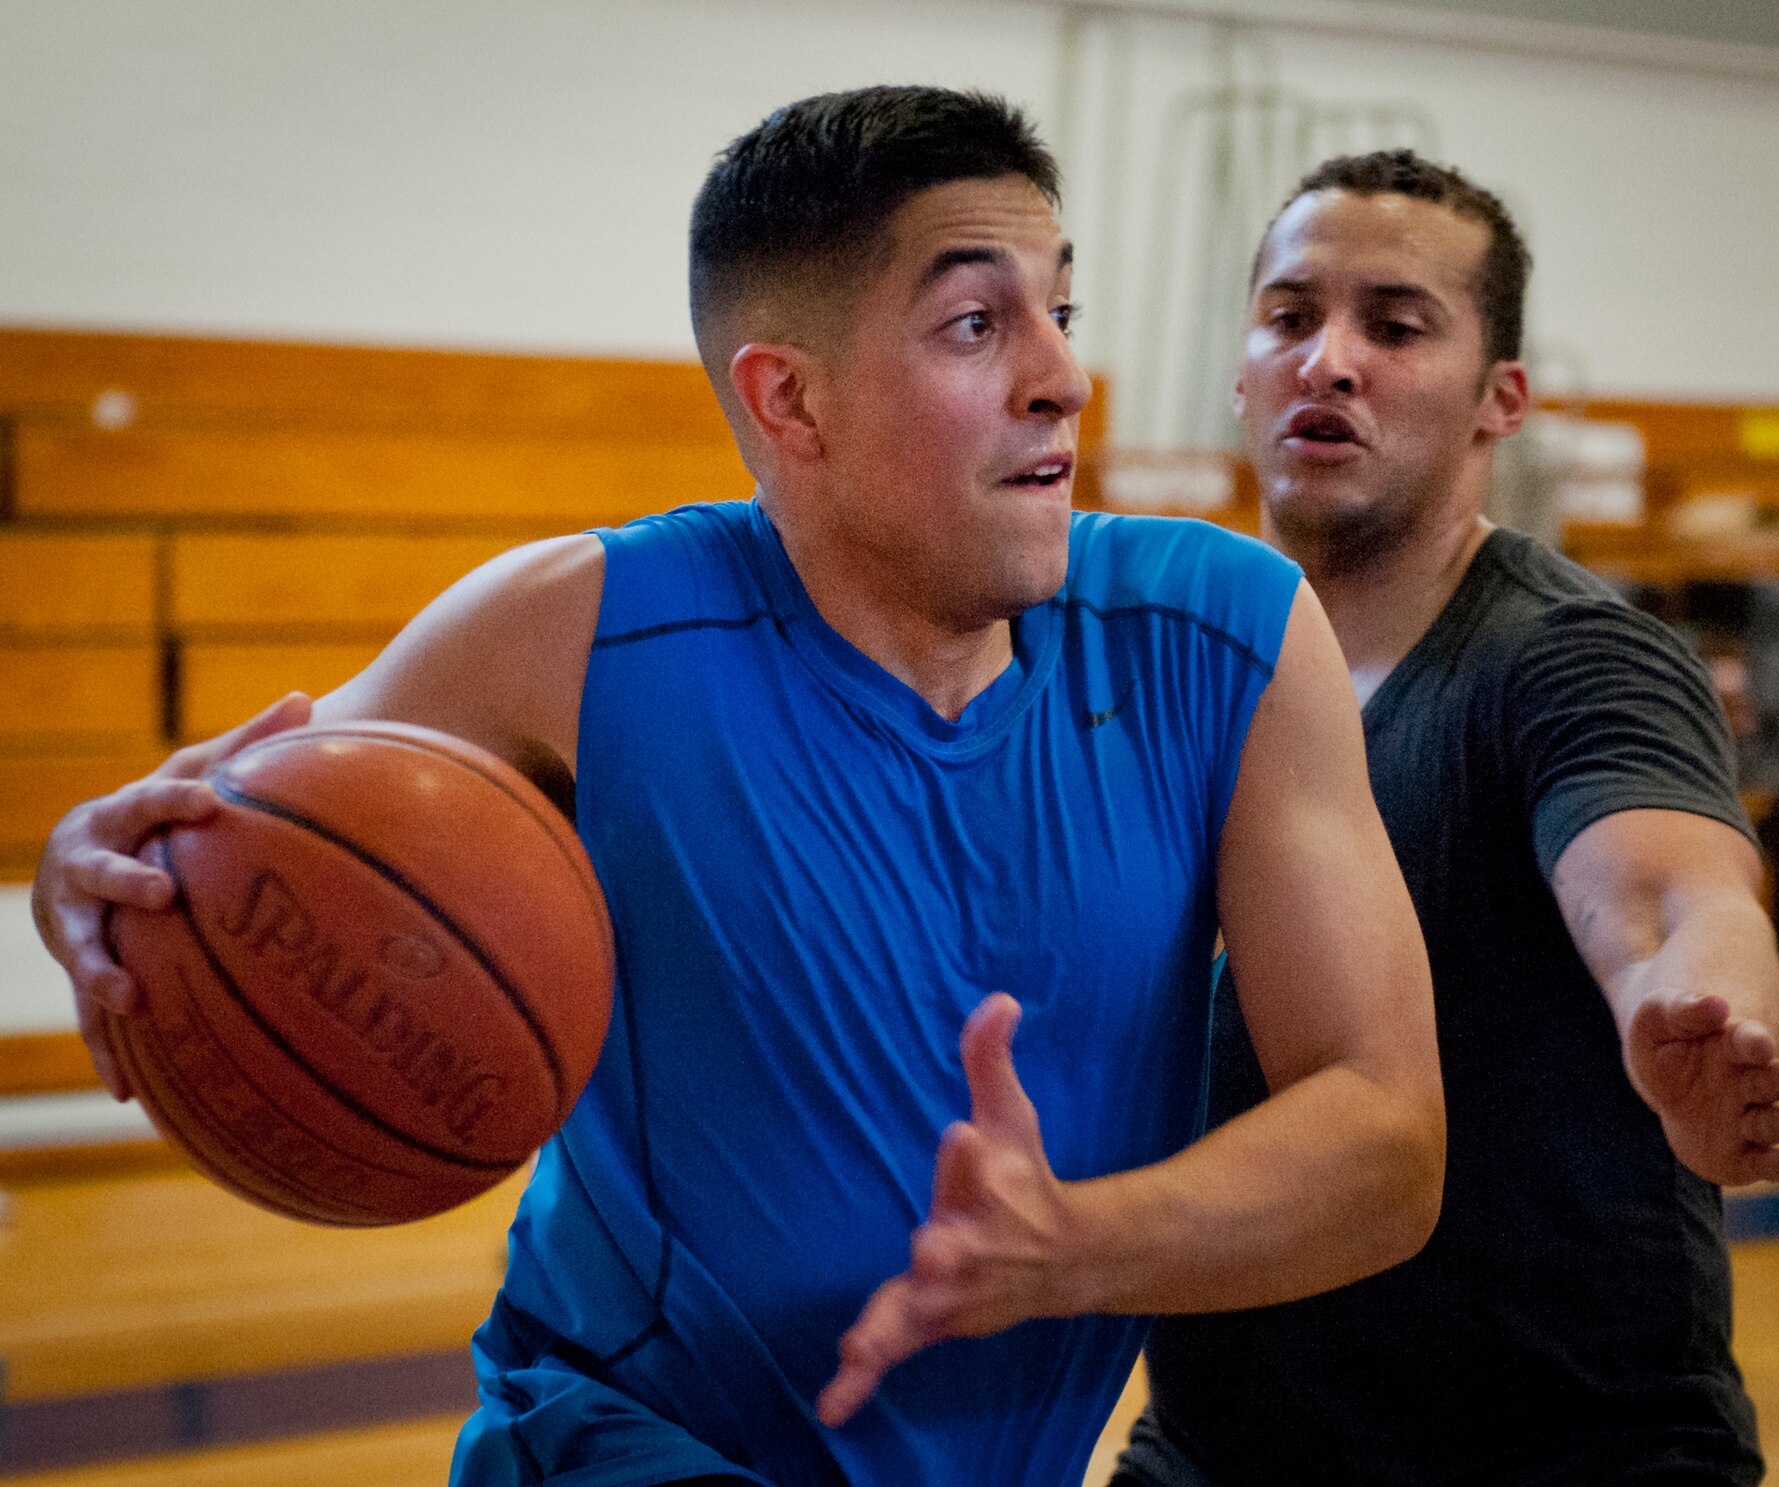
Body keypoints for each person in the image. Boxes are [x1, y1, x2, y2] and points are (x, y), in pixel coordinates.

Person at [31, 90, 1446, 1486]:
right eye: (976, 322)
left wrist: (1067, 1246)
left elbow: (1387, 1139)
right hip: (620, 1441)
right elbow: (200, 862)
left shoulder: (1228, 633)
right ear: (791, 397)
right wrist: (81, 879)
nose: (1061, 376)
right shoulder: (568, 630)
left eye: (1058, 314)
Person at [1117, 151, 1779, 1486]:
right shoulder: (1195, 674)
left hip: (1558, 1459)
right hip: (1216, 1452)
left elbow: (1673, 896)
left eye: (1395, 325)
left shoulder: (1570, 658)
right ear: (1241, 368)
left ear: (1503, 398)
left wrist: (1701, 1025)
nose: (1328, 360)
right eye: (1289, 316)